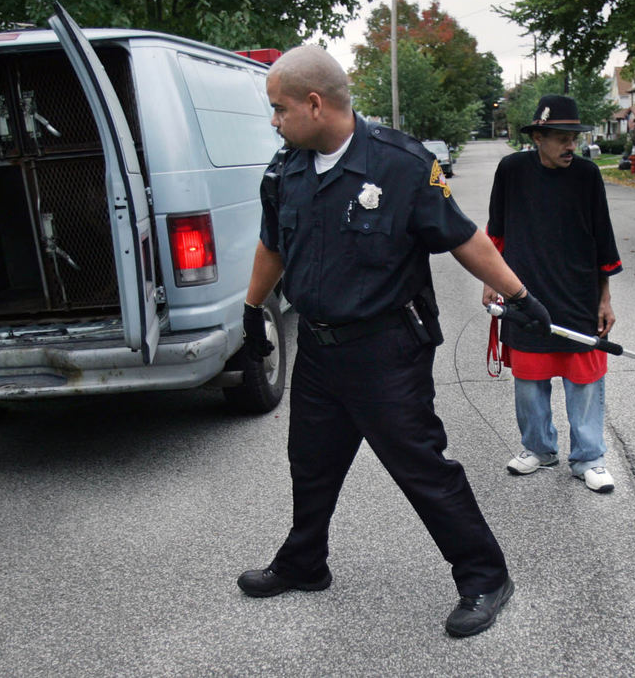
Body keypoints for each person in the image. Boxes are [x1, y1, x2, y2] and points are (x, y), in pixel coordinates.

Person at [235, 45, 551, 639]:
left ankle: (485, 576)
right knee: (312, 462)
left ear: (314, 103)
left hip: (385, 351)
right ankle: (305, 563)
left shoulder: (401, 164)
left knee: (421, 468)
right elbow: (272, 246)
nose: (273, 121)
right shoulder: (285, 171)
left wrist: (521, 296)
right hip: (321, 352)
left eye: (278, 108)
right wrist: (253, 309)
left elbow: (462, 236)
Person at [483, 94, 623, 493]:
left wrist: (604, 297)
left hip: (578, 293)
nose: (571, 146)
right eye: (561, 138)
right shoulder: (511, 170)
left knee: (584, 381)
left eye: (574, 138)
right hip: (525, 294)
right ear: (539, 137)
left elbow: (603, 239)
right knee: (529, 381)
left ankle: (589, 458)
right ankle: (539, 449)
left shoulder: (587, 175)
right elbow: (496, 230)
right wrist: (491, 279)